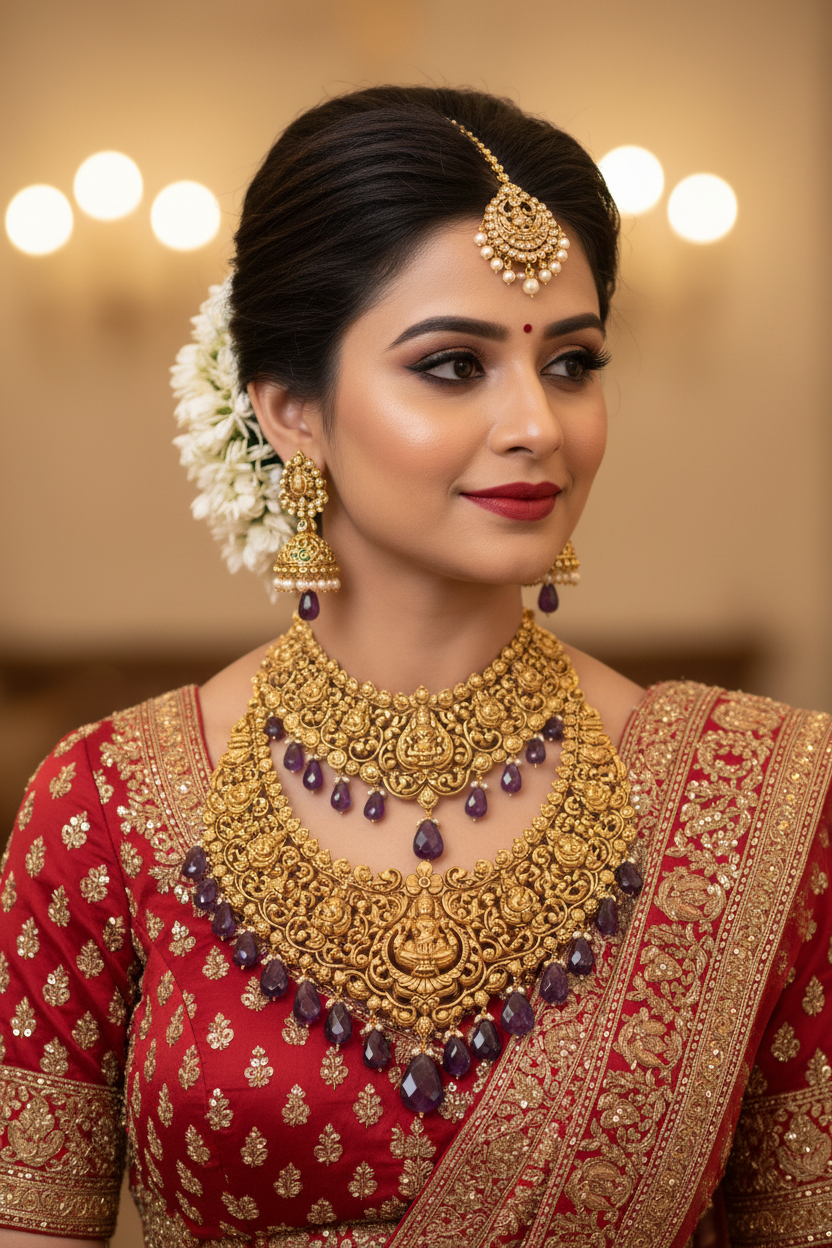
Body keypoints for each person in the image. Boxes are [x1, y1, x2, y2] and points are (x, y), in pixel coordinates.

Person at [0, 85, 829, 1248]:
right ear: (291, 408)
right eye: (453, 365)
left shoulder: (760, 801)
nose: (538, 422)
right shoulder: (104, 808)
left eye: (575, 362)